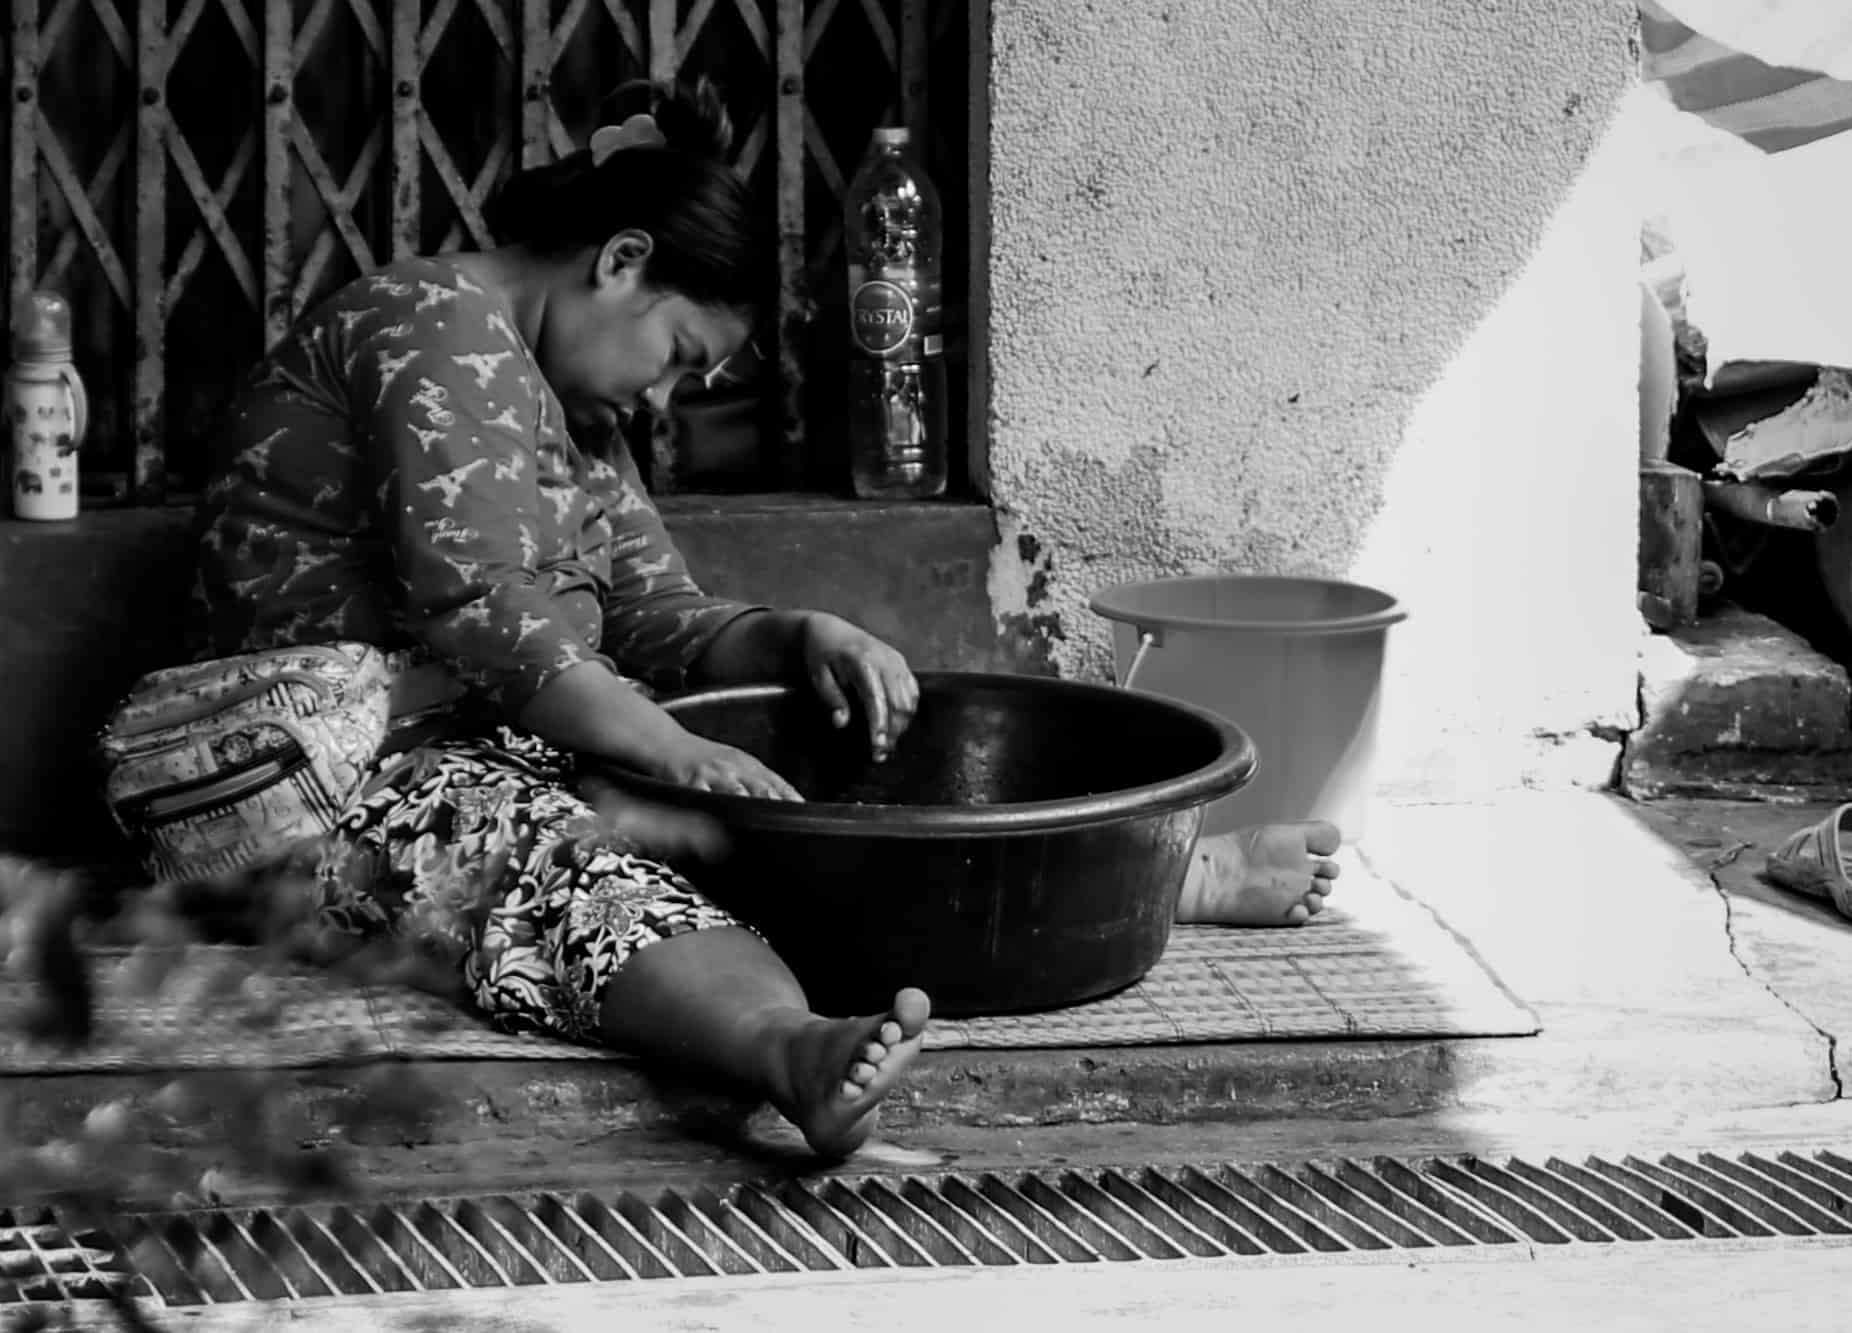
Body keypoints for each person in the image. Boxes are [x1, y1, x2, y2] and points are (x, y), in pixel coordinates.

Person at [174, 76, 1342, 1159]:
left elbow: (657, 618)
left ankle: (1111, 887)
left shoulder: (578, 420)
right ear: (621, 260)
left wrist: (792, 638)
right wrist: (677, 749)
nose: (664, 398)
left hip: (489, 745)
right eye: (679, 355)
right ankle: (785, 1051)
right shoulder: (432, 321)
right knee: (578, 859)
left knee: (782, 783)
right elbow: (485, 609)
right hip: (313, 768)